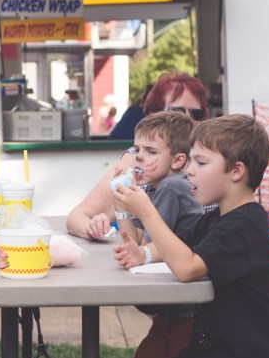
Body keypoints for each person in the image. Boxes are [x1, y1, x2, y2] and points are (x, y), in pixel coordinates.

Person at [114, 114, 269, 358]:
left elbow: (186, 268)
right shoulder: (218, 217)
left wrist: (146, 212)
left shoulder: (244, 224)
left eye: (201, 162)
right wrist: (143, 254)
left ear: (236, 171)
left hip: (243, 356)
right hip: (212, 348)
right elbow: (177, 245)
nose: (189, 170)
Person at [111, 111, 204, 358]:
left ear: (178, 161)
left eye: (151, 151)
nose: (139, 157)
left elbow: (145, 247)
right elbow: (133, 242)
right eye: (137, 149)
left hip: (189, 310)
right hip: (171, 308)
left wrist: (140, 250)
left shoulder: (172, 187)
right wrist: (120, 204)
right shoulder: (155, 187)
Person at [67, 72, 210, 241]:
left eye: (196, 113)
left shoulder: (214, 160)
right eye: (176, 111)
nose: (187, 119)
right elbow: (77, 217)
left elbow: (150, 243)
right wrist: (94, 228)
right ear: (153, 114)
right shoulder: (138, 162)